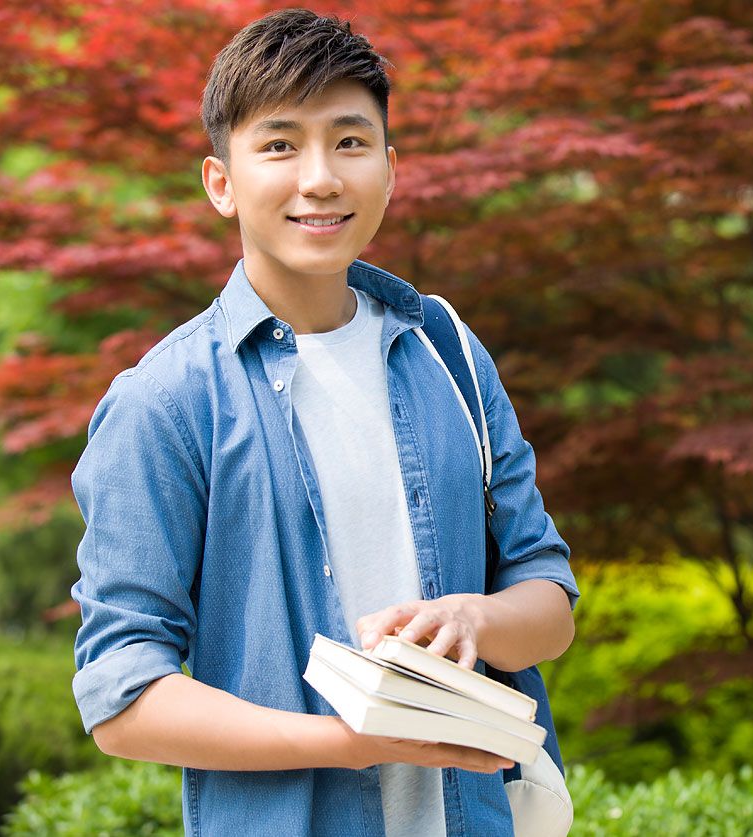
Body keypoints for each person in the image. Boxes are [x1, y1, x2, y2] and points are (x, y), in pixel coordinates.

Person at [68, 8, 579, 835]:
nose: (320, 177)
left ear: (388, 165)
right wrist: (352, 741)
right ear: (220, 181)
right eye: (279, 145)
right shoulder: (163, 402)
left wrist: (473, 618)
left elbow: (548, 601)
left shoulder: (445, 350)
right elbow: (122, 698)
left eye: (349, 141)